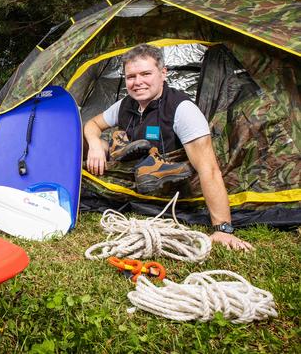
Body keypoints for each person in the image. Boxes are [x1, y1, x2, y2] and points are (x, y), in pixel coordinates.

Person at [83, 44, 253, 252]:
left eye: (146, 74)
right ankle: (121, 146)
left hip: (173, 178)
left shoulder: (182, 109)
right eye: (131, 77)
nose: (138, 82)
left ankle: (149, 163)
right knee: (89, 141)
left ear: (163, 73)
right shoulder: (125, 104)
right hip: (133, 171)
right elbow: (92, 124)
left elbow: (208, 169)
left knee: (192, 165)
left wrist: (223, 228)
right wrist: (94, 146)